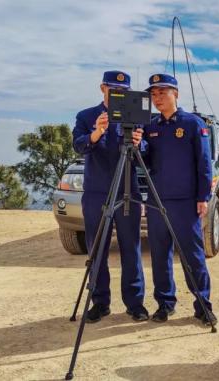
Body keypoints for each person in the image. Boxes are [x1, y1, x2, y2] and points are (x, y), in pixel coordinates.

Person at [72, 70, 148, 323]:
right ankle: (99, 302)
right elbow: (78, 145)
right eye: (113, 89)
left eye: (123, 91)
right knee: (98, 248)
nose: (118, 94)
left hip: (128, 191)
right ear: (102, 88)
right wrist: (96, 133)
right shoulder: (86, 116)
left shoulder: (135, 115)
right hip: (97, 192)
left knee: (131, 249)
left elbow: (147, 151)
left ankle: (135, 303)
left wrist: (140, 143)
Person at [141, 73, 216, 324]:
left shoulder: (193, 124)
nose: (157, 98)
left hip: (185, 202)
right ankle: (165, 303)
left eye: (162, 92)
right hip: (157, 201)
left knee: (192, 256)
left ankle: (202, 305)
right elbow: (145, 162)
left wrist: (202, 196)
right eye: (153, 94)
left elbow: (204, 164)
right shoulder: (150, 127)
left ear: (176, 94)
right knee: (160, 256)